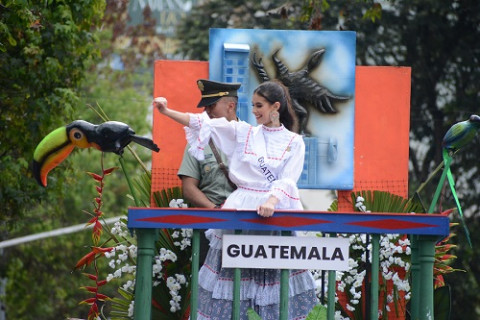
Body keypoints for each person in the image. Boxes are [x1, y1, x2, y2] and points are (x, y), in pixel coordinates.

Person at [153, 80, 318, 320]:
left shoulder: (294, 142)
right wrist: (166, 112)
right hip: (241, 207)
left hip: (274, 212)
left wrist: (271, 202)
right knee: (230, 275)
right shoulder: (246, 132)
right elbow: (202, 123)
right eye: (252, 105)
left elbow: (288, 180)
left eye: (259, 105)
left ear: (276, 106)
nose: (253, 111)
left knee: (275, 276)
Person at [178, 79, 240, 264]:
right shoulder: (197, 142)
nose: (207, 112)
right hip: (209, 224)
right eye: (206, 107)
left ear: (231, 106)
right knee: (206, 287)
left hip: (245, 225)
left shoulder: (251, 137)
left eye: (212, 106)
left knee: (245, 287)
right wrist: (216, 211)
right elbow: (189, 188)